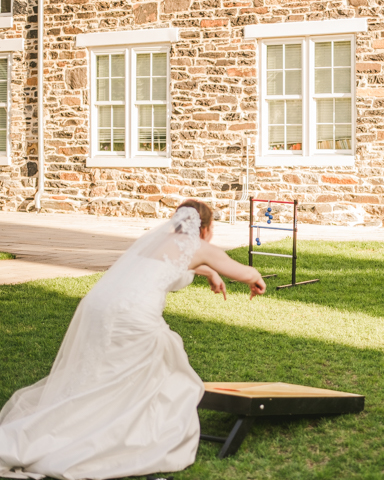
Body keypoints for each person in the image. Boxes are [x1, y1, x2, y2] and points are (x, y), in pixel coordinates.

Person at [0, 200, 266, 480]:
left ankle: (84, 424)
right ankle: (131, 437)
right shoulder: (199, 246)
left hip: (102, 308)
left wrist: (210, 272)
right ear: (206, 228)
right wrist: (256, 278)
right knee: (171, 371)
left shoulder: (156, 242)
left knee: (108, 373)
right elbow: (243, 272)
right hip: (134, 317)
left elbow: (170, 264)